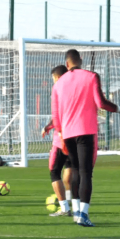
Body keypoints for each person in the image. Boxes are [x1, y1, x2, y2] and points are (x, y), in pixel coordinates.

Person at [51, 49, 119, 227]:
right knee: (86, 172)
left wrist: (60, 131)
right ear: (80, 60)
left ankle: (75, 213)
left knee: (74, 169)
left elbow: (56, 114)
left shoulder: (58, 83)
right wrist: (116, 108)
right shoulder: (91, 76)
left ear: (67, 64)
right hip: (86, 131)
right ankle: (84, 214)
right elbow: (101, 103)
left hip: (67, 133)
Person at [42, 65, 72, 217]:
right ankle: (75, 203)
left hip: (61, 140)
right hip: (77, 139)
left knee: (54, 172)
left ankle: (65, 208)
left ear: (58, 78)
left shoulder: (58, 92)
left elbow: (58, 116)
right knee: (69, 172)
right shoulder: (75, 91)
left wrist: (49, 126)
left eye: (54, 79)